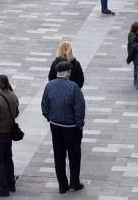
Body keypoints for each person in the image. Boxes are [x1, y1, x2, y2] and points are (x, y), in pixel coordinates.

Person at [41, 60, 86, 194]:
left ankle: (62, 185)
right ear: (67, 72)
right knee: (74, 156)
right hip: (71, 127)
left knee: (58, 156)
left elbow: (44, 105)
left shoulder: (49, 85)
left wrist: (49, 117)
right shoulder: (73, 87)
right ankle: (74, 183)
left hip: (55, 126)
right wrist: (79, 124)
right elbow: (80, 109)